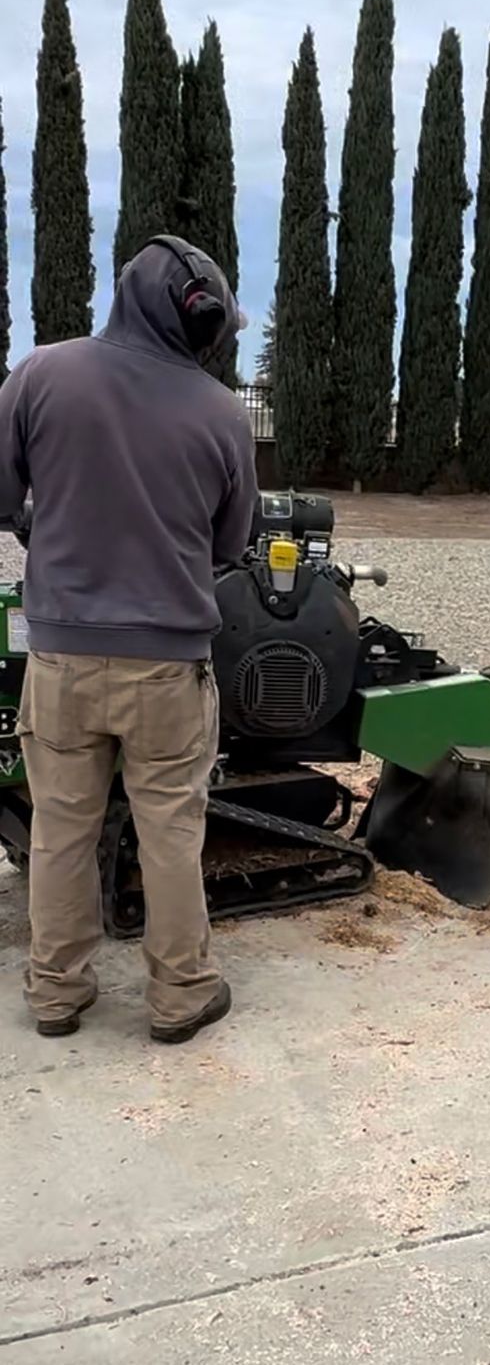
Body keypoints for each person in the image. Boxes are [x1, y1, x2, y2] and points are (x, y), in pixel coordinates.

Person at [0, 236, 258, 1043]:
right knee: (171, 831)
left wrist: (40, 524)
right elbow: (230, 544)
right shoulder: (222, 412)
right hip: (167, 669)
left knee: (60, 830)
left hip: (62, 660)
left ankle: (56, 994)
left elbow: (3, 495)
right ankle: (181, 995)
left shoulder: (40, 374)